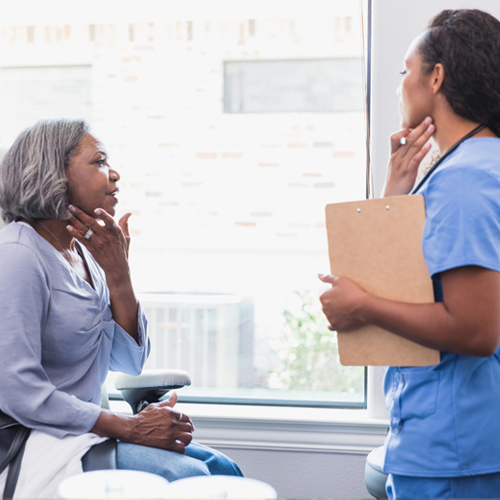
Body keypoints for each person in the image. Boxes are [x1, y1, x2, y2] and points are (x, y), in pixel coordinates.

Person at [0, 118, 242, 498]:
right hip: (32, 440)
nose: (114, 175)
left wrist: (118, 272)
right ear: (54, 174)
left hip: (84, 428)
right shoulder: (17, 256)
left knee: (224, 471)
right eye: (99, 162)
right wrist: (130, 427)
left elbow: (128, 362)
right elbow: (19, 392)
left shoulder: (87, 251)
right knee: (189, 479)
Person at [319, 9, 500, 499]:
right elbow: (403, 279)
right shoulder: (474, 166)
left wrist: (361, 306)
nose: (400, 86)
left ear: (435, 77)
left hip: (455, 452)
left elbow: (476, 330)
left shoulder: (463, 182)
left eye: (406, 71)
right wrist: (396, 192)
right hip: (464, 442)